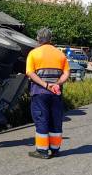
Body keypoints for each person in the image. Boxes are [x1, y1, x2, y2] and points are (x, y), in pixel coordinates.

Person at [25, 27, 70, 159]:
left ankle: (42, 151)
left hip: (40, 93)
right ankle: (55, 149)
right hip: (56, 93)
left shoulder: (34, 53)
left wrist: (45, 85)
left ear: (38, 39)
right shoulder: (60, 54)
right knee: (55, 119)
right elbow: (66, 73)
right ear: (50, 39)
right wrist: (57, 84)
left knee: (41, 119)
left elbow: (30, 73)